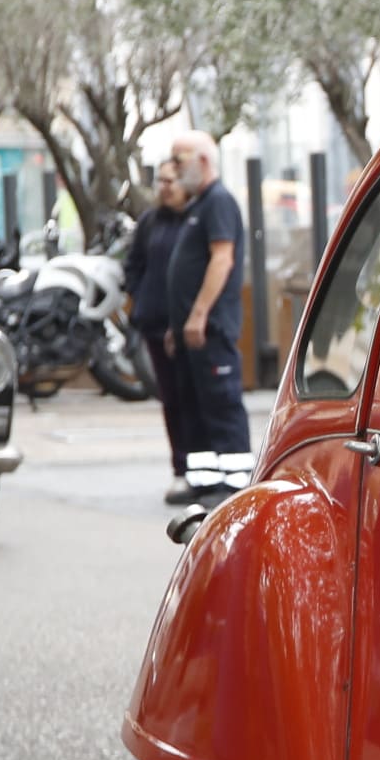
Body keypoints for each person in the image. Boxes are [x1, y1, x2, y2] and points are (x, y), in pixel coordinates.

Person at [163, 131, 253, 506]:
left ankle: (234, 487)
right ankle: (205, 483)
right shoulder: (197, 206)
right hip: (190, 333)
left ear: (202, 161)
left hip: (210, 330)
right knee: (196, 410)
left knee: (221, 407)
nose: (174, 168)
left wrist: (199, 314)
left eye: (179, 160)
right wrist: (177, 326)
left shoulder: (218, 202)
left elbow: (222, 259)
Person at [124, 161, 198, 504]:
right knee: (171, 400)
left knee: (194, 398)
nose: (165, 186)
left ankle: (203, 471)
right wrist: (142, 297)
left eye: (172, 180)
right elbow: (133, 265)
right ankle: (181, 469)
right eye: (161, 181)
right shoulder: (150, 222)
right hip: (155, 327)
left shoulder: (197, 219)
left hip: (192, 329)